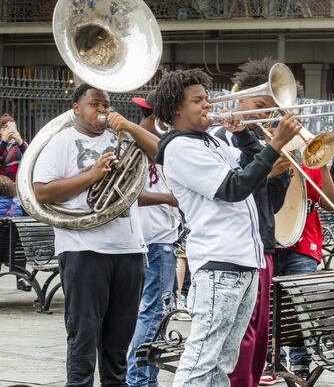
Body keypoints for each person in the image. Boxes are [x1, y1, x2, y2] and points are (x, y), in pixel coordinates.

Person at [152, 69, 300, 385]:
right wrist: (276, 143)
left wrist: (246, 134)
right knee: (201, 359)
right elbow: (235, 187)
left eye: (207, 98)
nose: (208, 105)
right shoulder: (181, 148)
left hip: (243, 260)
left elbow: (256, 166)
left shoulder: (209, 143)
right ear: (177, 109)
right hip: (220, 262)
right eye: (198, 100)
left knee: (223, 361)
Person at [32, 83, 159, 386]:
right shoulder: (61, 142)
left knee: (119, 342)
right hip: (83, 249)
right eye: (95, 104)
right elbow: (42, 191)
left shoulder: (123, 138)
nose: (102, 111)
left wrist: (128, 125)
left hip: (129, 248)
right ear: (76, 107)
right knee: (84, 338)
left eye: (106, 105)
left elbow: (161, 150)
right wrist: (93, 175)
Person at [223, 58, 293, 387]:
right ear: (241, 97)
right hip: (235, 249)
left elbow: (272, 205)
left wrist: (281, 176)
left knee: (261, 336)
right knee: (243, 336)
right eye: (262, 105)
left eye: (271, 110)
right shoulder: (222, 138)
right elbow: (235, 192)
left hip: (263, 244)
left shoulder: (259, 143)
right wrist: (266, 166)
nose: (265, 116)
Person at [125, 91, 182, 387]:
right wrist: (169, 199)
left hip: (163, 239)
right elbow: (128, 193)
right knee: (153, 313)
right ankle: (139, 378)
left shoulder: (165, 146)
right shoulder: (136, 147)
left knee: (159, 312)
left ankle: (146, 376)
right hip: (155, 240)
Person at [271, 161, 334, 379]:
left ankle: (300, 365)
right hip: (269, 243)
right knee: (269, 308)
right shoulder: (263, 159)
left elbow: (330, 203)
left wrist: (323, 166)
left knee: (300, 309)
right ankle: (271, 362)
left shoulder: (308, 167)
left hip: (302, 245)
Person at [0, 114, 27, 182]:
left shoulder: (22, 144)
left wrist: (20, 142)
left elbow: (30, 159)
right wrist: (3, 142)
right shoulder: (1, 145)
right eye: (6, 126)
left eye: (12, 126)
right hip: (2, 187)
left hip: (18, 186)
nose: (9, 130)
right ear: (0, 130)